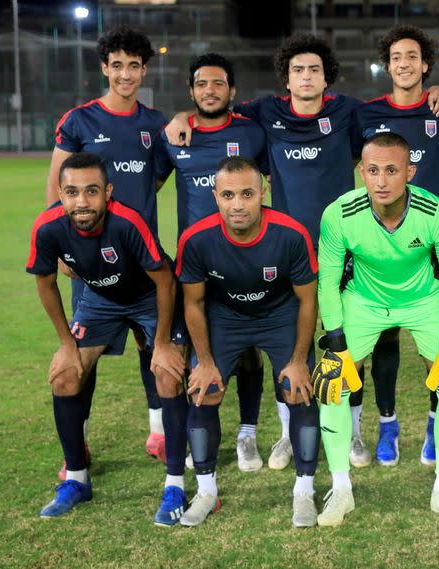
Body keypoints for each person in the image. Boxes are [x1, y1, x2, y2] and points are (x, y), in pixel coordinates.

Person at [164, 33, 439, 471]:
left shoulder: (350, 112)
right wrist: (182, 114)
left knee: (351, 339)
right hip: (284, 249)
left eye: (314, 69)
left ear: (326, 78)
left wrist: (437, 91)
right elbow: (215, 109)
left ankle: (355, 431)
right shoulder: (266, 112)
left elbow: (399, 111)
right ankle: (286, 434)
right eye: (298, 69)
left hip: (344, 244)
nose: (306, 76)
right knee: (288, 336)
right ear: (287, 77)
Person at [313, 133, 439, 527]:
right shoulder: (338, 214)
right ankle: (341, 489)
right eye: (372, 170)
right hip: (364, 302)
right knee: (332, 382)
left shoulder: (436, 212)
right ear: (361, 172)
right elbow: (328, 282)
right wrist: (334, 338)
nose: (381, 180)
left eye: (392, 170)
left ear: (410, 172)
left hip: (424, 301)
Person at [28, 153, 184, 517]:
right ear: (61, 194)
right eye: (72, 192)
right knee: (65, 375)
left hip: (149, 295)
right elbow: (45, 282)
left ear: (107, 192)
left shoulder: (128, 222)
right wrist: (67, 345)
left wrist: (161, 343)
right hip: (100, 299)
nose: (81, 202)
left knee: (167, 373)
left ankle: (175, 485)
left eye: (91, 191)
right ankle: (77, 479)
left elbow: (164, 281)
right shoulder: (48, 227)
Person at [45, 26, 168, 475]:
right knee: (83, 354)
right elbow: (58, 183)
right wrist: (62, 244)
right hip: (90, 262)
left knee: (150, 344)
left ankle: (159, 431)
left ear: (143, 70)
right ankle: (76, 446)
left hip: (142, 259)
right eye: (117, 65)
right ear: (105, 68)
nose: (125, 74)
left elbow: (156, 179)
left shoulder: (155, 125)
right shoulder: (79, 121)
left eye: (134, 66)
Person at [176, 157, 319, 527]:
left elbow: (307, 300)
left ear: (262, 193)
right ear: (215, 196)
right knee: (203, 390)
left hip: (279, 314)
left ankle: (304, 490)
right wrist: (204, 361)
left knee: (298, 388)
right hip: (226, 317)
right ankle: (206, 492)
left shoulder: (290, 234)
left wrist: (300, 359)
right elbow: (192, 303)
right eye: (227, 195)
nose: (237, 204)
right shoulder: (196, 239)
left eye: (246, 194)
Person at [352, 24, 439, 468]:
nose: (403, 63)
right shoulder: (365, 114)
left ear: (425, 65)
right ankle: (388, 425)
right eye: (396, 56)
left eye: (412, 57)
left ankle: (436, 425)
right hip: (378, 248)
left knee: (433, 344)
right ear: (387, 64)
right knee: (382, 340)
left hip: (431, 244)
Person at [155, 53, 270, 474]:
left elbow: (269, 183)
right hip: (196, 264)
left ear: (232, 91)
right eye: (201, 84)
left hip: (247, 260)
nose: (209, 90)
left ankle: (247, 435)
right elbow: (149, 187)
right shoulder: (174, 136)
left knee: (250, 351)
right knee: (191, 351)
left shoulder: (252, 133)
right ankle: (196, 432)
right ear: (191, 91)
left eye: (218, 83)